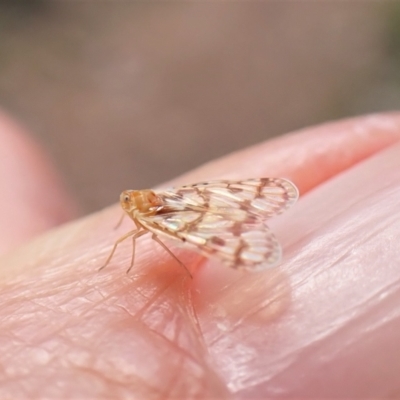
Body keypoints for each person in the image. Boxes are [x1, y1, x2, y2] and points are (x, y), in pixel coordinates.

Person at [0, 110, 399, 399]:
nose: (125, 206)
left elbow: (146, 234)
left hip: (187, 214)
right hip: (183, 211)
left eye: (127, 202)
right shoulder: (140, 212)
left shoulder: (150, 212)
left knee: (192, 228)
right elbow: (136, 233)